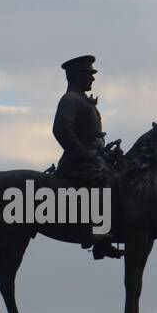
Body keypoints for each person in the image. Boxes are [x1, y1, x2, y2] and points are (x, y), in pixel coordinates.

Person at [52, 55, 120, 258]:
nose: (92, 78)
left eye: (92, 74)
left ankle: (104, 237)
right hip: (77, 162)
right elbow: (61, 130)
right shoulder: (71, 99)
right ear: (74, 75)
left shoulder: (83, 100)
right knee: (104, 180)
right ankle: (93, 232)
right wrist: (84, 154)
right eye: (88, 74)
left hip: (93, 158)